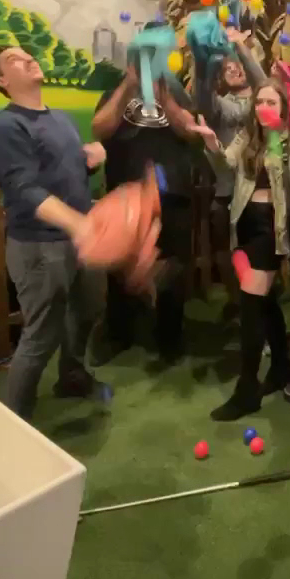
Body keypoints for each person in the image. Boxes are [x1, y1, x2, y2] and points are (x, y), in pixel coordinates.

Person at [186, 80, 290, 420]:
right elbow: (225, 164)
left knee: (251, 305)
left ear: (283, 108)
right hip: (244, 224)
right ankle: (281, 366)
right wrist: (211, 143)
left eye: (271, 101)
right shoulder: (246, 137)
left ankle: (247, 389)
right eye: (259, 102)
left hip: (271, 230)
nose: (263, 107)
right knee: (264, 302)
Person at [0, 45, 111, 421]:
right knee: (41, 336)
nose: (28, 58)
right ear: (2, 81)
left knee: (87, 310)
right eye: (13, 60)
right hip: (39, 246)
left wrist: (91, 160)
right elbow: (25, 189)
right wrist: (77, 223)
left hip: (80, 240)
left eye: (27, 54)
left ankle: (71, 377)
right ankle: (16, 420)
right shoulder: (6, 126)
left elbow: (64, 170)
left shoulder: (60, 118)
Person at [91, 40, 197, 362]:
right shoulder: (115, 92)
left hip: (173, 192)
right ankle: (118, 334)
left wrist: (166, 99)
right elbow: (99, 129)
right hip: (127, 194)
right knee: (120, 265)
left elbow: (191, 132)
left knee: (173, 266)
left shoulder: (175, 91)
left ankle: (170, 337)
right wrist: (128, 86)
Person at [197, 27, 268, 320]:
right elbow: (204, 99)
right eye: (228, 68)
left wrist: (239, 46)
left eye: (239, 65)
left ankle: (258, 300)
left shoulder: (263, 101)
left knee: (258, 252)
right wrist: (204, 61)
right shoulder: (221, 107)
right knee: (226, 252)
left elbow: (262, 82)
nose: (235, 69)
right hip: (226, 191)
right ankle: (235, 300)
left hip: (258, 192)